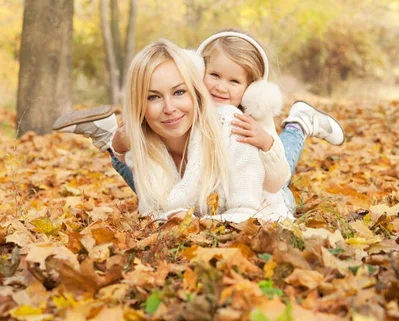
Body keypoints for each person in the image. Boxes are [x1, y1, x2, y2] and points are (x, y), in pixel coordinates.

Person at [53, 30, 345, 219]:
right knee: (140, 156)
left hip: (266, 188)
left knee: (281, 155)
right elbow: (148, 178)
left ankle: (299, 123)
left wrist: (267, 143)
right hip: (191, 179)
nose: (221, 87)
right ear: (200, 72)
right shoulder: (184, 108)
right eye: (214, 76)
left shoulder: (244, 120)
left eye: (234, 81)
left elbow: (276, 177)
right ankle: (110, 138)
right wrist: (118, 147)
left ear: (251, 88)